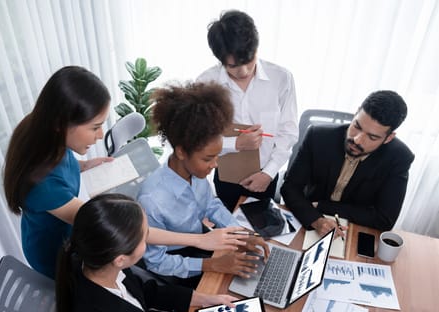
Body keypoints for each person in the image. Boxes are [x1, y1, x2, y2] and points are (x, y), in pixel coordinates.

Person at [3, 66, 251, 279]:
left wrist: (82, 166)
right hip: (55, 251)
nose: (101, 135)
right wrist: (199, 241)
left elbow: (61, 162)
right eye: (95, 127)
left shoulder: (47, 133)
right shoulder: (43, 184)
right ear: (61, 124)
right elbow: (118, 226)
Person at [55, 193, 236, 312]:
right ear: (120, 259)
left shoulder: (108, 270)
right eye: (145, 237)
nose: (149, 240)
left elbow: (148, 292)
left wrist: (205, 298)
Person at [137, 81, 269, 287]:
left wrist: (242, 236)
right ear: (181, 152)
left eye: (216, 157)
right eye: (208, 159)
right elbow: (156, 262)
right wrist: (212, 264)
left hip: (201, 244)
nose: (214, 165)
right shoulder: (152, 200)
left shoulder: (195, 174)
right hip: (175, 269)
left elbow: (211, 205)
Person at [197, 9, 299, 212]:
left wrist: (268, 174)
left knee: (261, 234)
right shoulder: (205, 84)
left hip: (265, 176)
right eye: (232, 66)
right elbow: (199, 138)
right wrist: (235, 143)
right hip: (225, 175)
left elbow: (288, 132)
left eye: (248, 61)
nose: (243, 72)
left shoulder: (281, 79)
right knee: (228, 233)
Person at [281, 90, 415, 233]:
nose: (357, 139)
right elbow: (290, 188)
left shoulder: (399, 158)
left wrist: (323, 206)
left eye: (372, 137)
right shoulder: (318, 136)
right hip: (308, 216)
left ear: (388, 138)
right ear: (356, 113)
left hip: (353, 226)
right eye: (357, 126)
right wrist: (316, 220)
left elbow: (384, 219)